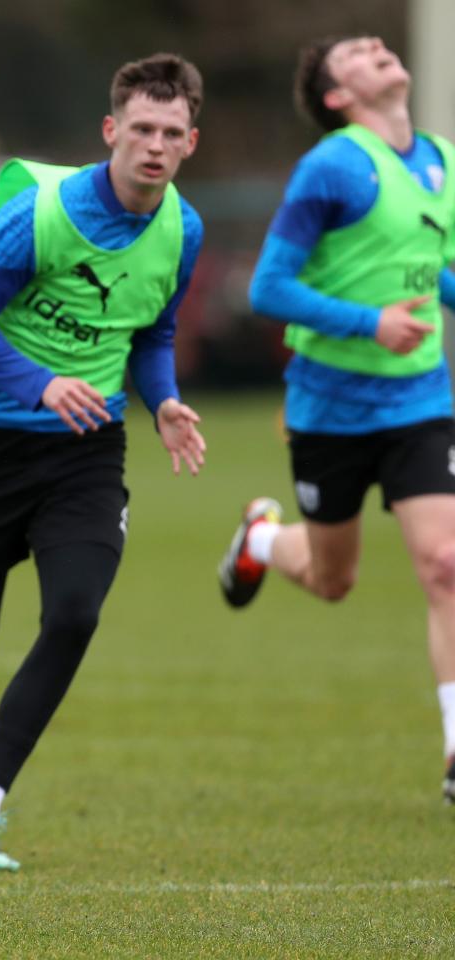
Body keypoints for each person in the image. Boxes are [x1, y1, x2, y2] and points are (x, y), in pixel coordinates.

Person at [0, 53, 207, 870]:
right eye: (141, 130)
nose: (154, 146)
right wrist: (38, 382)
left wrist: (161, 400)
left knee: (76, 615)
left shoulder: (182, 228)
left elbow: (150, 331)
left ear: (191, 141)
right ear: (111, 131)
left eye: (171, 133)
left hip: (87, 452)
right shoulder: (45, 216)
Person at [218, 36, 455, 803]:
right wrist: (369, 323)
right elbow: (268, 288)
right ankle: (261, 537)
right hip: (329, 410)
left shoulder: (443, 162)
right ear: (336, 97)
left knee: (446, 563)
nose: (378, 49)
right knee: (333, 579)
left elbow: (430, 268)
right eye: (357, 52)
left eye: (378, 43)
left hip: (420, 401)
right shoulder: (333, 167)